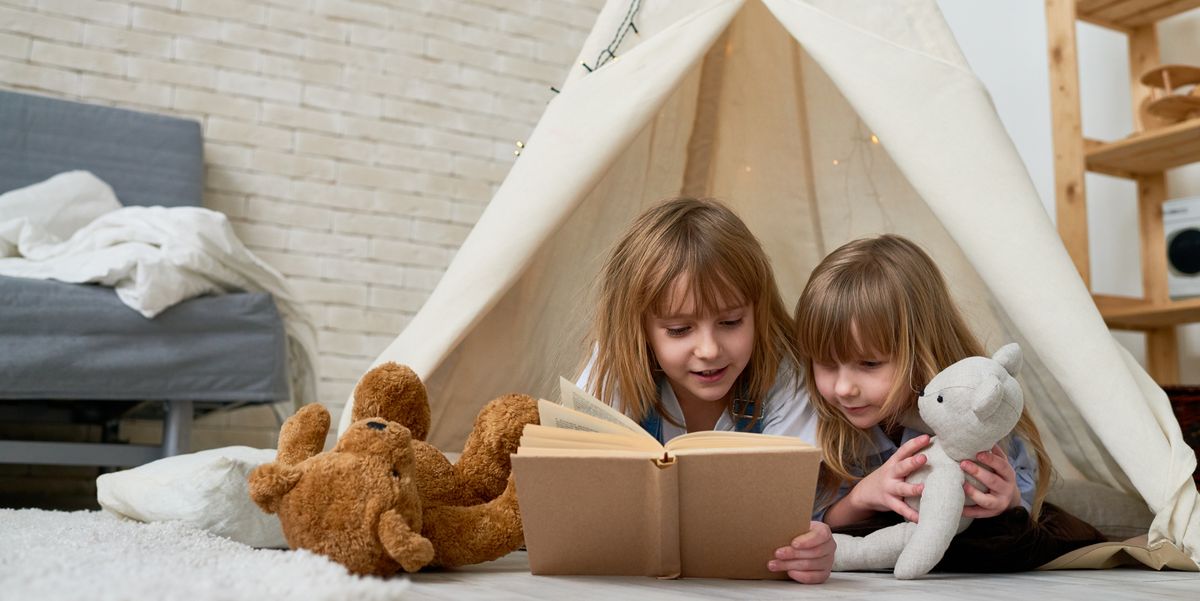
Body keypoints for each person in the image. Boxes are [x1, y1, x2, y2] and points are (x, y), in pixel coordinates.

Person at [578, 197, 834, 583]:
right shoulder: (616, 363)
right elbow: (582, 495)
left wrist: (813, 545)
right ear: (639, 329)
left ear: (757, 310)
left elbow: (789, 514)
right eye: (679, 330)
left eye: (731, 322)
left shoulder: (786, 371)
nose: (710, 350)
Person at [792, 234, 1053, 531]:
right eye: (826, 364)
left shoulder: (976, 406)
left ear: (920, 351)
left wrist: (1011, 501)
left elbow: (1026, 510)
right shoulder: (824, 427)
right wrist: (861, 499)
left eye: (869, 364)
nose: (842, 388)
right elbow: (810, 523)